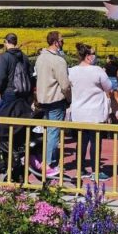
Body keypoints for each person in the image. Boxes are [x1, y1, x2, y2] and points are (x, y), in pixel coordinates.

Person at [68, 43, 113, 181]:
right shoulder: (97, 70)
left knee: (81, 142)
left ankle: (80, 169)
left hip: (78, 112)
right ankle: (96, 170)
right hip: (95, 112)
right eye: (93, 54)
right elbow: (109, 87)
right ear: (88, 56)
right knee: (95, 142)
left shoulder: (72, 71)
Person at [0, 33, 35, 180]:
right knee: (20, 130)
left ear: (6, 42)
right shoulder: (24, 57)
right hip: (23, 96)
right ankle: (19, 164)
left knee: (5, 130)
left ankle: (10, 163)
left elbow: (0, 77)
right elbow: (31, 75)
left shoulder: (4, 57)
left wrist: (0, 90)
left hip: (9, 94)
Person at [35, 31, 72, 176]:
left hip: (43, 99)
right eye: (62, 41)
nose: (63, 43)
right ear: (56, 42)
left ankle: (46, 159)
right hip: (56, 99)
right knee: (53, 132)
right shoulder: (58, 60)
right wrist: (69, 99)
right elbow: (65, 84)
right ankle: (48, 163)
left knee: (47, 132)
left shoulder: (40, 58)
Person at [105, 55, 118, 120]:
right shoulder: (117, 66)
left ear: (110, 59)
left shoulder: (106, 65)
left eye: (107, 58)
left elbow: (103, 72)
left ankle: (109, 111)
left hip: (108, 81)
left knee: (108, 98)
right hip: (114, 81)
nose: (106, 59)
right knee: (117, 97)